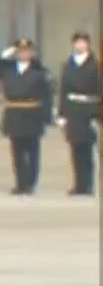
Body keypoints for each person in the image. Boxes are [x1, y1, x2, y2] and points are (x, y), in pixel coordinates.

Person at [0, 38, 53, 195]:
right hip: (14, 113)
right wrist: (4, 54)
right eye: (20, 51)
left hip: (32, 114)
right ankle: (20, 183)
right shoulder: (8, 69)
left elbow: (47, 95)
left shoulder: (39, 71)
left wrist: (46, 117)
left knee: (32, 151)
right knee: (17, 151)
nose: (23, 54)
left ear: (32, 53)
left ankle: (30, 183)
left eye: (26, 51)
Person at [57, 32, 98, 197]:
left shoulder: (95, 65)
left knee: (87, 149)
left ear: (88, 44)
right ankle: (78, 184)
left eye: (82, 42)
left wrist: (97, 114)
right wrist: (62, 114)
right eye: (77, 42)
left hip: (88, 109)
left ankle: (87, 184)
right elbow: (63, 90)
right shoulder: (69, 64)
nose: (80, 45)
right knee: (75, 148)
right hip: (73, 110)